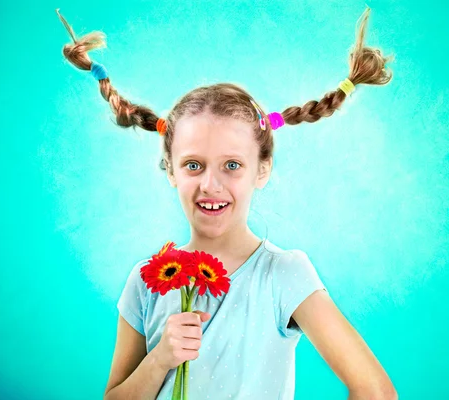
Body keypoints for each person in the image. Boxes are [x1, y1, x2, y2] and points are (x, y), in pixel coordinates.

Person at [57, 6, 397, 400]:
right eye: (193, 165)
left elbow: (375, 391)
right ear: (171, 170)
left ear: (262, 170)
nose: (210, 184)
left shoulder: (283, 274)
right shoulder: (145, 282)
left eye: (232, 165)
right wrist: (160, 359)